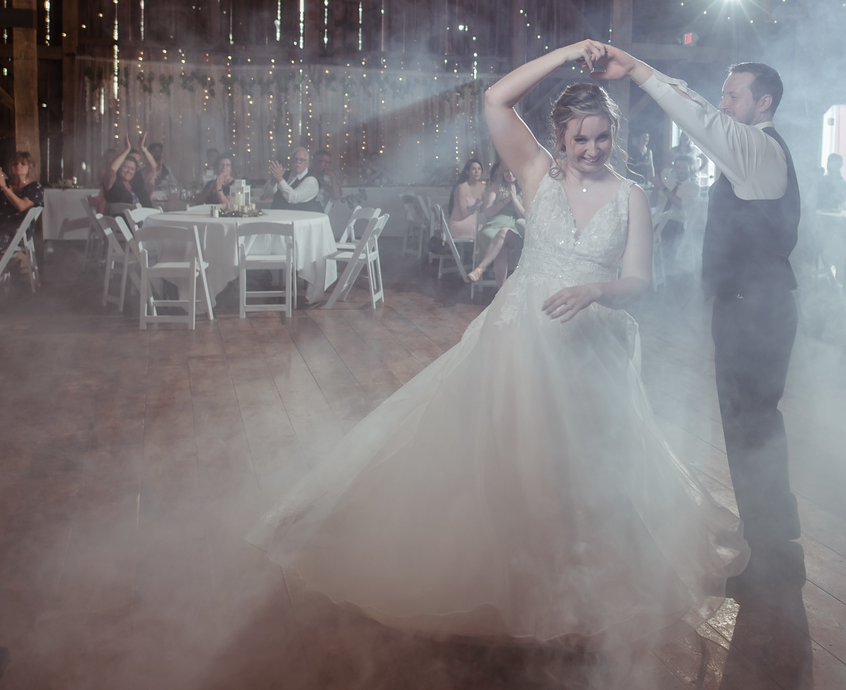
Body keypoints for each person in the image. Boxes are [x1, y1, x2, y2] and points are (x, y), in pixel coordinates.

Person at [249, 38, 743, 642]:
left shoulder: (632, 196)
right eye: (579, 138)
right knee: (512, 458)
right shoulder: (537, 173)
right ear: (559, 139)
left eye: (601, 137)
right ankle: (511, 581)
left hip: (589, 344)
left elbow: (639, 280)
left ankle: (573, 588)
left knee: (580, 470)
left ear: (613, 134)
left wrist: (596, 290)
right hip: (519, 339)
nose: (590, 149)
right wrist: (568, 55)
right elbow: (495, 97)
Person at [594, 44, 803, 591]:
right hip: (751, 305)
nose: (723, 103)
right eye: (723, 93)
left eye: (734, 95)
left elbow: (698, 118)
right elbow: (700, 109)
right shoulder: (751, 148)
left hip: (758, 308)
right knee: (750, 421)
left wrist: (637, 70)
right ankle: (773, 539)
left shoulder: (757, 148)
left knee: (750, 424)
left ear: (765, 102)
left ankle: (773, 558)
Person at [0, 151, 43, 267]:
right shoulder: (6, 183)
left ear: (29, 167)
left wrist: (4, 188)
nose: (18, 166)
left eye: (22, 164)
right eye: (15, 164)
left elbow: (21, 206)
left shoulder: (35, 187)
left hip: (15, 231)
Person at [467, 162, 525, 287]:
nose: (509, 174)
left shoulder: (525, 188)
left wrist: (514, 198)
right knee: (501, 248)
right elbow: (487, 213)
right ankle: (501, 294)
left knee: (504, 232)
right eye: (506, 171)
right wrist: (505, 200)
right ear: (502, 173)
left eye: (512, 170)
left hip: (516, 228)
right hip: (493, 227)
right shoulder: (495, 187)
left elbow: (525, 217)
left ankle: (481, 268)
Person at [265, 145, 323, 212]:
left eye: (301, 160)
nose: (298, 162)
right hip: (276, 214)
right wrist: (274, 180)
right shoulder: (285, 174)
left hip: (298, 219)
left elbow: (293, 198)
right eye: (295, 159)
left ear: (307, 163)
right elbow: (268, 193)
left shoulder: (311, 181)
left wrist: (280, 179)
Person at [446, 158, 487, 244]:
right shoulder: (462, 188)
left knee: (488, 229)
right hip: (460, 222)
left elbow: (484, 210)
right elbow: (463, 213)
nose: (477, 171)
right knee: (478, 231)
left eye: (479, 169)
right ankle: (472, 257)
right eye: (473, 169)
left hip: (475, 221)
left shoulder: (483, 188)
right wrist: (476, 205)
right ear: (467, 172)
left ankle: (481, 257)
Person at [100, 146, 143, 211]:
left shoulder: (134, 185)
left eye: (132, 169)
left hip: (134, 218)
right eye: (125, 167)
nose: (128, 171)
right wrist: (127, 150)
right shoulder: (112, 183)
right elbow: (113, 169)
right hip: (120, 219)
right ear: (119, 167)